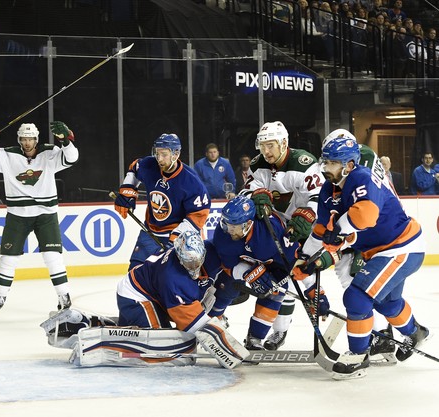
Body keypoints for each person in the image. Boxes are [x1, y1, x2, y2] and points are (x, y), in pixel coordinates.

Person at [293, 136, 429, 379]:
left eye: (332, 163)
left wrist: (339, 232)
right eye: (325, 162)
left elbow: (365, 216)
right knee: (384, 303)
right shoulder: (328, 188)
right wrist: (304, 258)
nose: (326, 168)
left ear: (349, 164)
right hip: (381, 250)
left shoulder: (362, 177)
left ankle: (358, 356)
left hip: (401, 247)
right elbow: (321, 230)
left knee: (357, 297)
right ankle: (415, 332)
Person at [237, 121, 324, 350]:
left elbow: (320, 196)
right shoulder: (258, 165)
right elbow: (245, 192)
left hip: (303, 226)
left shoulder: (304, 163)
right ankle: (278, 330)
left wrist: (308, 215)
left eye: (271, 145)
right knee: (281, 281)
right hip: (276, 229)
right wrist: (255, 195)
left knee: (299, 272)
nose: (266, 151)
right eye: (263, 146)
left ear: (284, 143)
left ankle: (313, 302)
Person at [0, 122, 78, 312]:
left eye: (30, 139)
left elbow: (72, 158)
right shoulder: (7, 155)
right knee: (8, 258)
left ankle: (63, 295)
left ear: (36, 139)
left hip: (45, 213)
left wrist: (66, 140)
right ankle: (0, 296)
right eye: (24, 139)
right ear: (19, 140)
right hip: (17, 214)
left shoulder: (49, 153)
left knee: (52, 256)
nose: (27, 143)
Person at [115, 230, 248, 368]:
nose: (194, 267)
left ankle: (130, 322)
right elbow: (196, 325)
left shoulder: (210, 250)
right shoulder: (173, 278)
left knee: (207, 300)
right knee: (164, 354)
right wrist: (229, 351)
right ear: (179, 256)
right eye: (189, 263)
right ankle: (124, 326)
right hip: (137, 296)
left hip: (160, 294)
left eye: (197, 261)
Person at [211, 196, 326, 349]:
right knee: (225, 284)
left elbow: (299, 266)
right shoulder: (223, 235)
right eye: (226, 224)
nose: (228, 230)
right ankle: (211, 323)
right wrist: (247, 272)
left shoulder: (273, 234)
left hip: (275, 264)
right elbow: (228, 266)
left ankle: (255, 338)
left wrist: (316, 292)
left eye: (234, 226)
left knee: (275, 289)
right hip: (248, 264)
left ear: (248, 224)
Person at [114, 133, 210, 270]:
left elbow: (199, 213)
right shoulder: (149, 165)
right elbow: (135, 168)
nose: (159, 158)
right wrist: (128, 190)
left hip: (179, 236)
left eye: (164, 154)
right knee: (135, 272)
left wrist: (178, 235)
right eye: (157, 153)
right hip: (150, 231)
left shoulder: (191, 181)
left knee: (175, 278)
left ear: (175, 154)